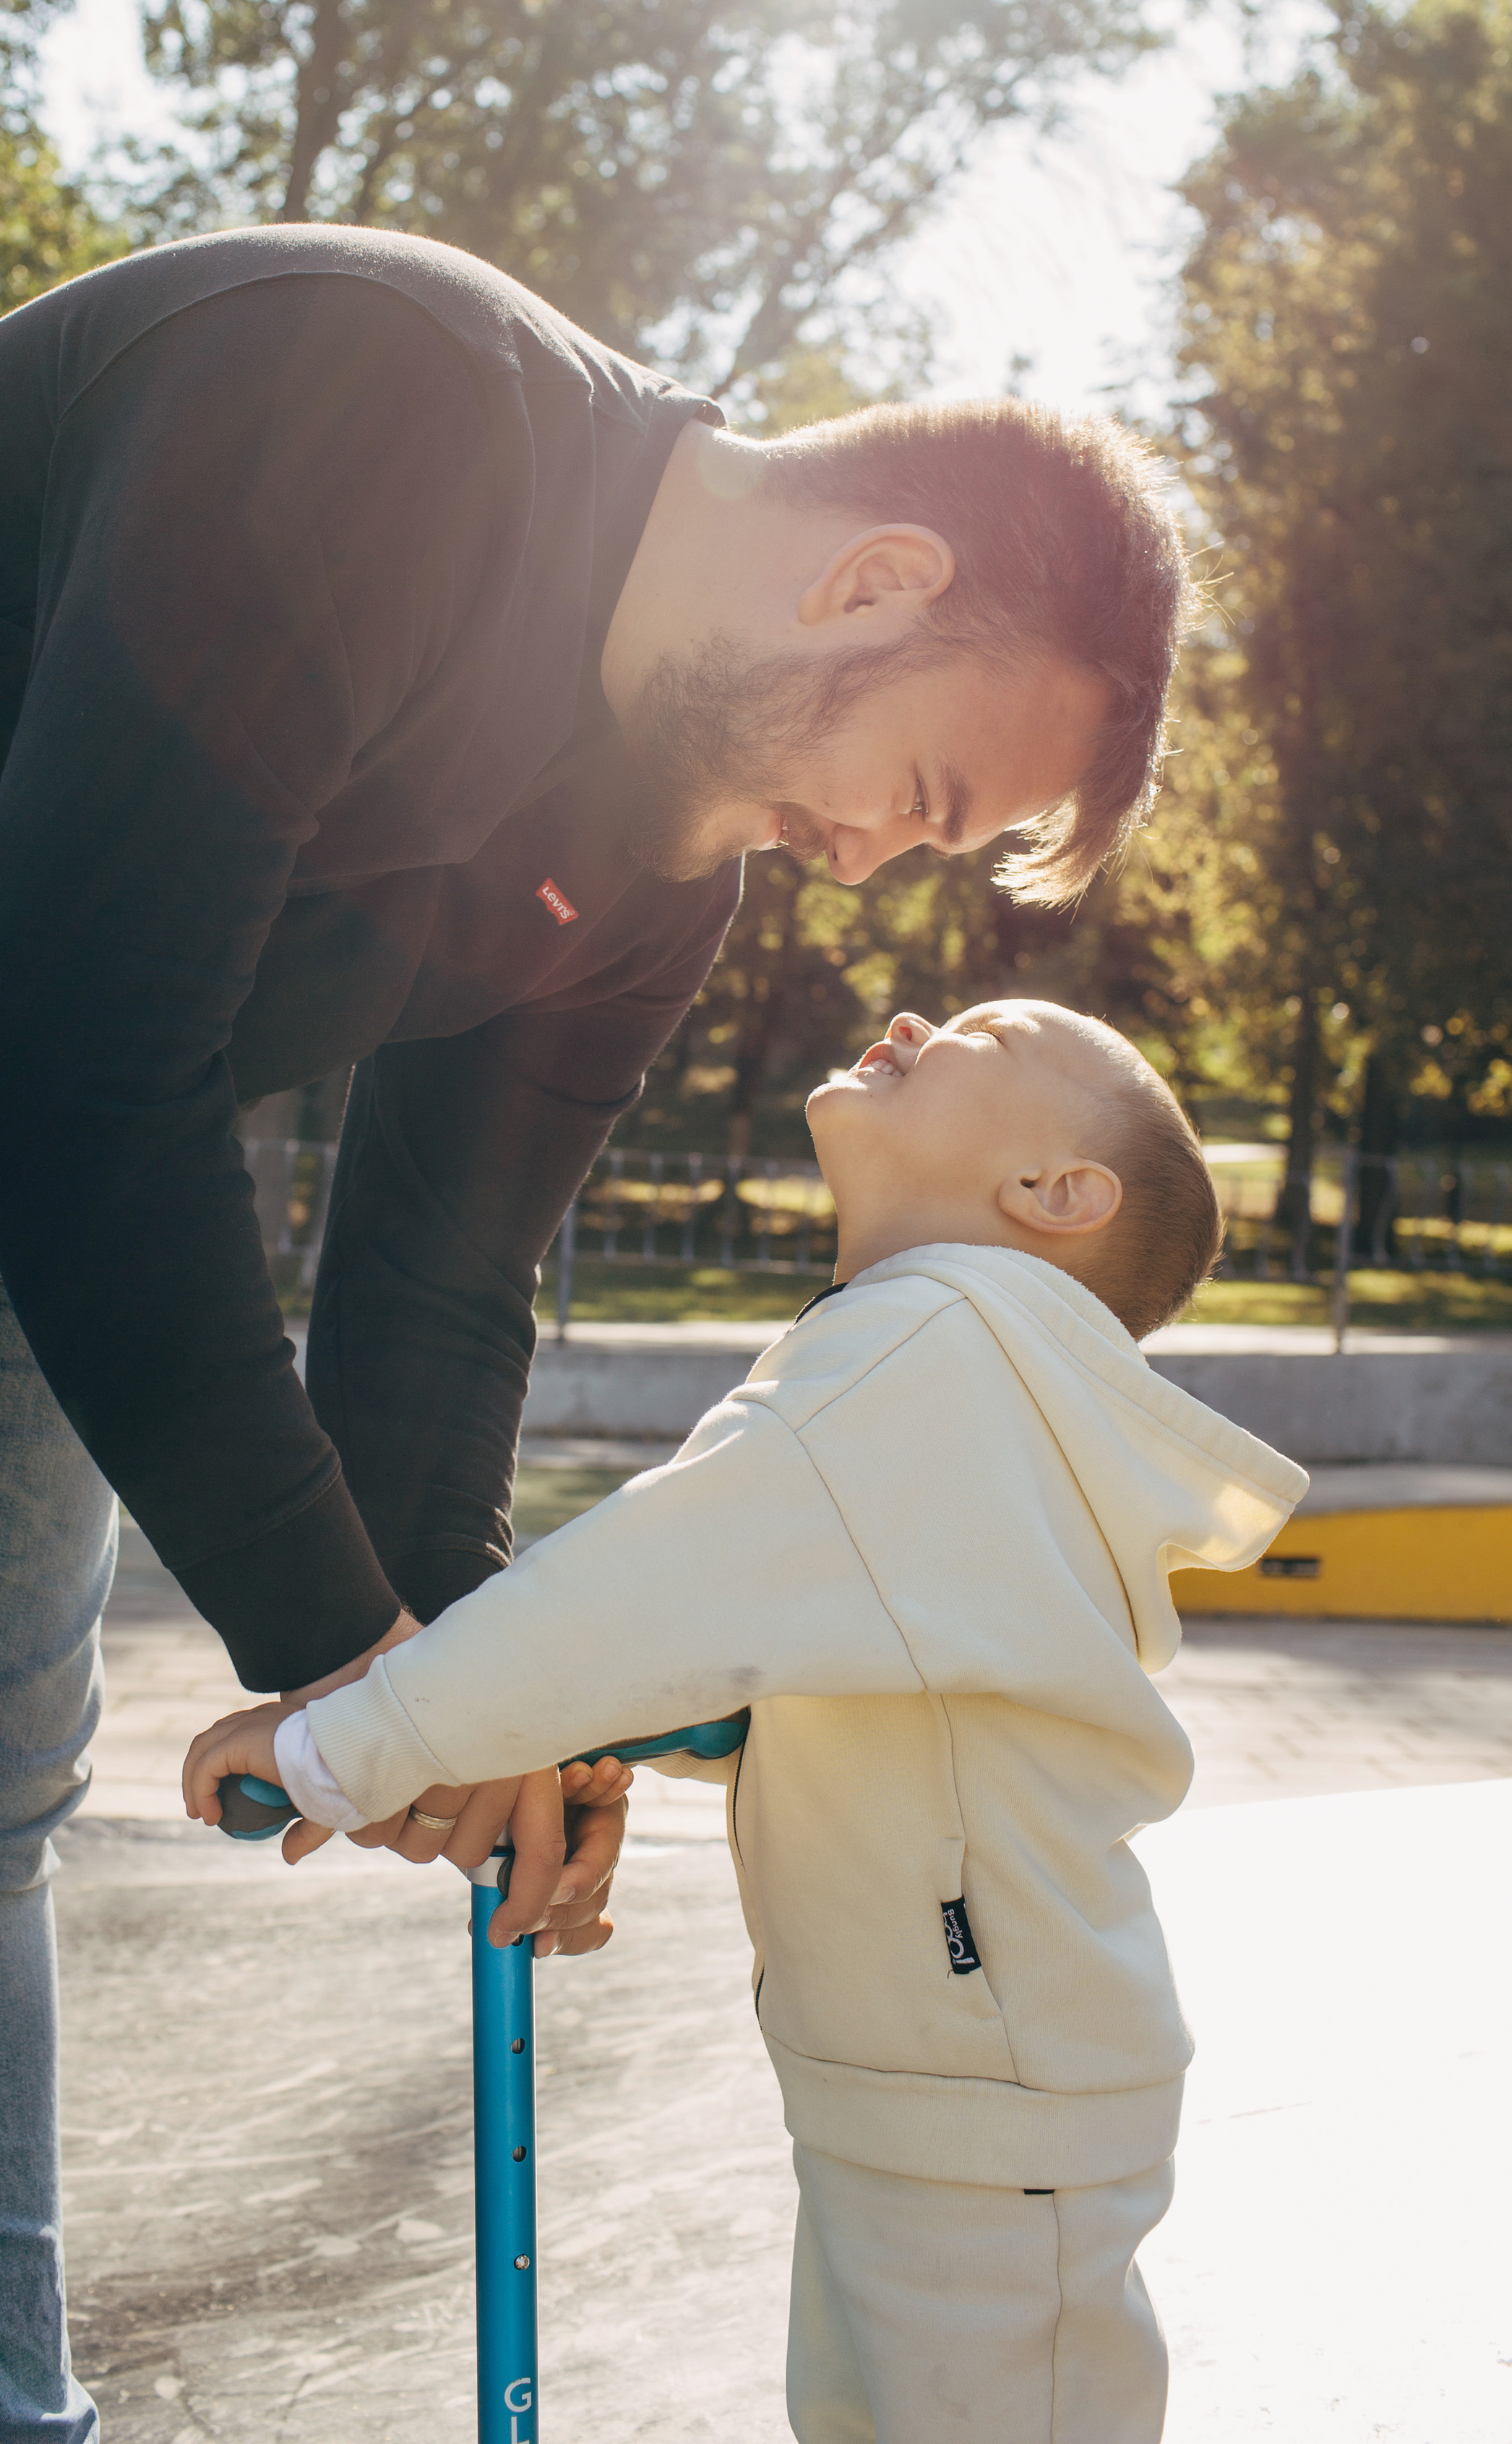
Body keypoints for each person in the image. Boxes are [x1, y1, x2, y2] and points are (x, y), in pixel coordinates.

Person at [0, 223, 1190, 2440]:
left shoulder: (667, 859)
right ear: (868, 583)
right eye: (925, 796)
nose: (868, 865)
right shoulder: (385, 406)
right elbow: (87, 1046)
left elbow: (438, 1280)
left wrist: (494, 1677)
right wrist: (356, 1659)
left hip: (21, 1100)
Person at [186, 998, 1307, 2443]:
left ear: (1053, 1193)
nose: (914, 1013)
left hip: (973, 2079)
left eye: (991, 1032)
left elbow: (638, 1588)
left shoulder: (926, 1351)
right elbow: (824, 1659)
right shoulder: (949, 1375)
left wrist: (333, 1748)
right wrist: (660, 1728)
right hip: (943, 2066)